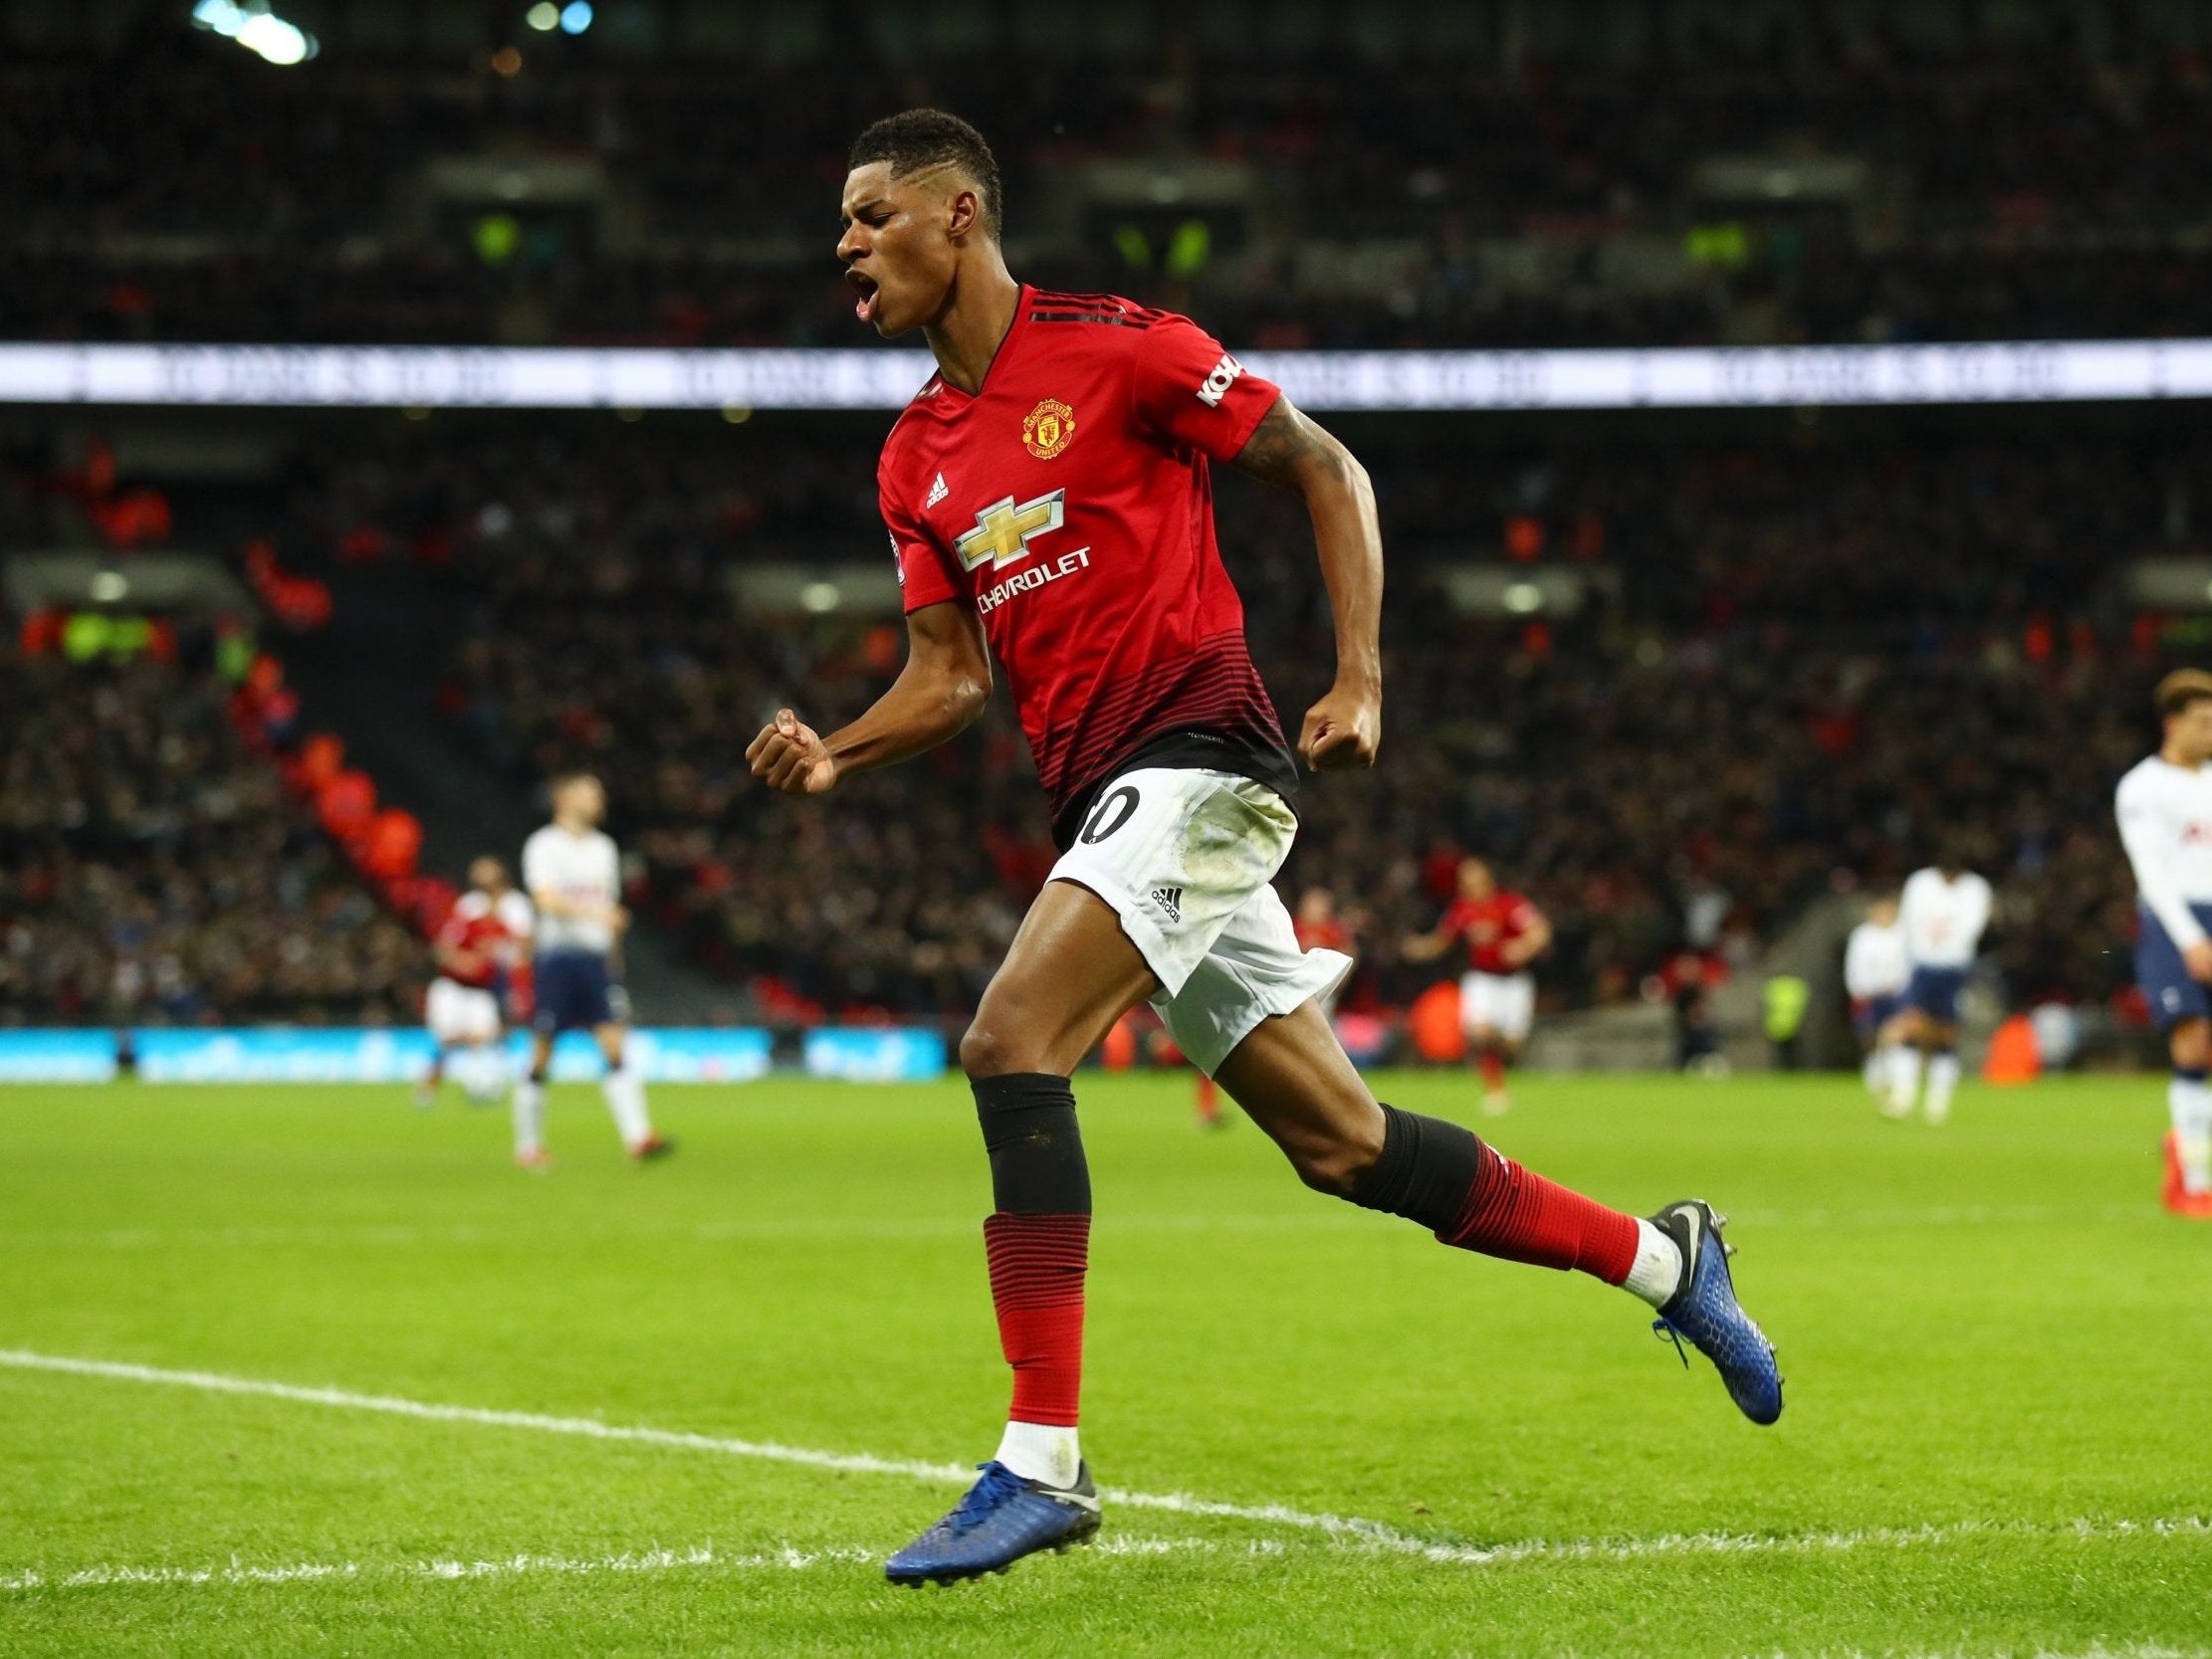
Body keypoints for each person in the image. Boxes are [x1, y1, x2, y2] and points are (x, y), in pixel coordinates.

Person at [749, 108, 1781, 1588]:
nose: (844, 246)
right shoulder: (914, 454)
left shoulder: (1123, 347)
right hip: (1106, 794)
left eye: (868, 215)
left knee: (1007, 1038)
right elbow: (953, 675)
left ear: (958, 213)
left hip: (1204, 756)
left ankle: (1039, 1458)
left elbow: (1327, 467)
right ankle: (1670, 1260)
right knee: (1345, 1146)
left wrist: (1358, 675)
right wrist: (832, 748)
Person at [512, 774, 671, 1169]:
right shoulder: (544, 844)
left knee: (615, 1045)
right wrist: (596, 914)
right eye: (590, 792)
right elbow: (545, 899)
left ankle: (639, 1137)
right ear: (564, 799)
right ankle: (529, 1145)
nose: (599, 799)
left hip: (596, 961)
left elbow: (611, 913)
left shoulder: (604, 848)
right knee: (542, 1052)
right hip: (557, 958)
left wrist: (614, 962)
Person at [2114, 668, 2212, 1218]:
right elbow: (2150, 870)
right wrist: (2191, 938)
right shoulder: (2142, 786)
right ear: (2173, 724)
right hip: (2174, 920)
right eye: (2202, 722)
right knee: (2193, 1039)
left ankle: (2185, 1141)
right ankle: (2196, 1180)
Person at [1403, 858, 1550, 1114]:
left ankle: (1500, 1066)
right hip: (1481, 979)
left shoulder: (1509, 904)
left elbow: (1539, 930)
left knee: (1513, 1044)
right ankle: (1496, 1091)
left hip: (1514, 981)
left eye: (1472, 876)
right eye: (1463, 877)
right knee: (1479, 1033)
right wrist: (1419, 948)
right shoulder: (1461, 910)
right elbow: (1443, 940)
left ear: (1486, 877)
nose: (1466, 882)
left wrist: (1522, 947)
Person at [417, 855, 532, 1108]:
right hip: (454, 986)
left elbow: (524, 945)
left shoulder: (516, 906)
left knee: (486, 1036)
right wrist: (465, 961)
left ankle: (481, 1085)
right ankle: (428, 1087)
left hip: (488, 986)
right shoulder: (469, 906)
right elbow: (444, 947)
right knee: (447, 1040)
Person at [1888, 850, 1993, 1125]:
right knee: (1910, 1026)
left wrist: (1945, 940)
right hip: (1922, 965)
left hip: (1953, 968)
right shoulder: (1920, 883)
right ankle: (1904, 1095)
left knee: (1947, 1034)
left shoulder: (1975, 889)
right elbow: (1908, 923)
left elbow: (1973, 927)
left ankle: (1938, 1101)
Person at [1843, 894, 1909, 1102]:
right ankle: (1873, 1075)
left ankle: (1895, 1078)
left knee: (1895, 1037)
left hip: (1894, 995)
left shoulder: (1903, 935)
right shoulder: (1862, 936)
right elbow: (1854, 965)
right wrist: (1858, 989)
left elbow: (1908, 965)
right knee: (1870, 1037)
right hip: (1868, 994)